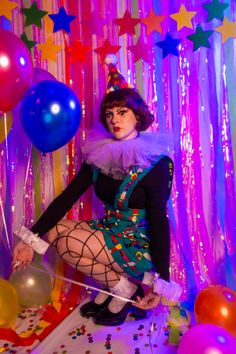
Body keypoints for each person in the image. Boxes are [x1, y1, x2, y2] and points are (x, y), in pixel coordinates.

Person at [12, 57, 182, 326]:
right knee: (55, 232)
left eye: (122, 112)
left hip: (138, 244)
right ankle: (122, 288)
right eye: (109, 113)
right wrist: (30, 238)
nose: (115, 119)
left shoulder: (155, 163)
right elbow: (68, 197)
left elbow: (160, 221)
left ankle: (124, 289)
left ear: (138, 116)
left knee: (68, 242)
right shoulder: (99, 155)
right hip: (109, 231)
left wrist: (162, 279)